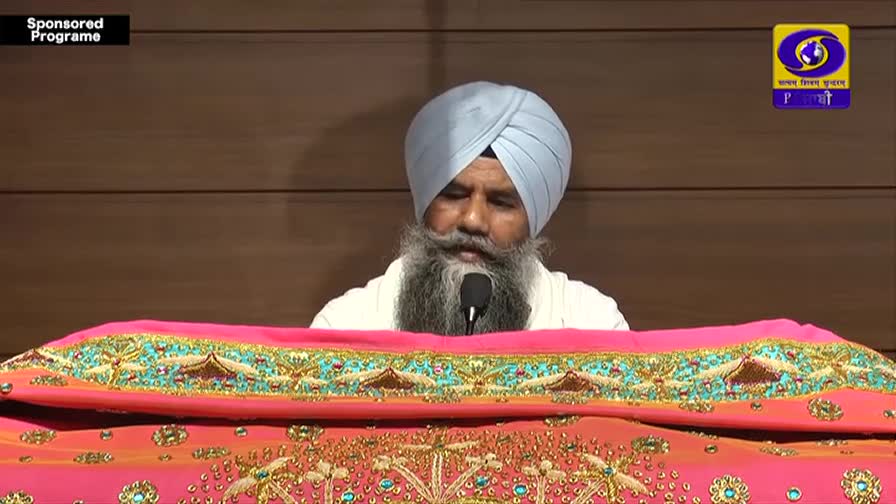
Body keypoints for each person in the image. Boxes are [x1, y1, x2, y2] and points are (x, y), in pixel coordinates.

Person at [310, 81, 629, 335]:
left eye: (501, 202)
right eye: (454, 195)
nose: (474, 220)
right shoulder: (346, 326)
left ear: (534, 218)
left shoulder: (591, 324)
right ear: (426, 202)